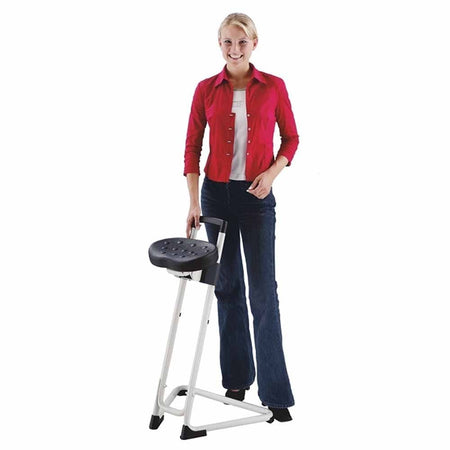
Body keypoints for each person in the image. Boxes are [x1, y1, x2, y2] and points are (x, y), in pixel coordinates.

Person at [184, 12, 298, 422]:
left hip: (256, 198)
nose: (234, 50)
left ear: (254, 43)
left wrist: (271, 173)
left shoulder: (273, 87)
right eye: (227, 42)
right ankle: (236, 378)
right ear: (220, 44)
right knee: (227, 287)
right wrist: (194, 202)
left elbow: (291, 138)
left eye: (242, 42)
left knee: (263, 293)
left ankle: (275, 391)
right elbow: (192, 147)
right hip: (216, 198)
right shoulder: (205, 89)